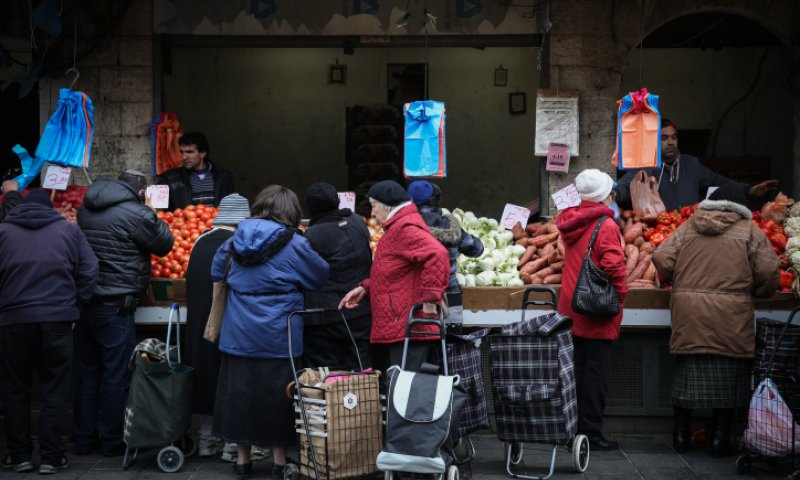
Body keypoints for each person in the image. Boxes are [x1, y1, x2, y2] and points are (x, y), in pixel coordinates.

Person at [210, 185, 329, 480]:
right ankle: (278, 463)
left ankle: (242, 461)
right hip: (280, 334)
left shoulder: (234, 238)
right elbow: (319, 275)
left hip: (238, 334)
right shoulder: (295, 243)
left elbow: (217, 272)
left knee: (240, 396)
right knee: (280, 397)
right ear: (290, 212)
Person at [653, 183, 779, 456]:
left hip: (690, 316)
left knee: (687, 375)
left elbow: (661, 255)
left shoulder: (688, 226)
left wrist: (679, 280)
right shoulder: (750, 230)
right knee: (730, 381)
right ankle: (721, 438)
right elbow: (769, 270)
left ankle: (681, 436)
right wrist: (761, 291)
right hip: (731, 318)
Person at [74, 170, 174, 457]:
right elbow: (164, 244)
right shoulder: (137, 214)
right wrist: (150, 211)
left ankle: (82, 439)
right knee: (116, 376)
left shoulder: (86, 209)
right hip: (116, 305)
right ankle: (111, 440)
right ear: (141, 190)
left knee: (87, 374)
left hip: (85, 303)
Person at [0, 190, 98, 474]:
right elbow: (91, 269)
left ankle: (19, 456)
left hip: (13, 320)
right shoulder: (69, 230)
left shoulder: (3, 232)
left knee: (15, 389)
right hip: (57, 319)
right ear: (50, 208)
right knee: (54, 389)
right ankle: (53, 457)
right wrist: (76, 303)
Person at [339, 180, 450, 374]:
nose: (372, 213)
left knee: (405, 391)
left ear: (388, 206)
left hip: (408, 323)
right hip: (401, 323)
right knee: (401, 387)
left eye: (374, 206)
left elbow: (437, 254)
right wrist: (366, 287)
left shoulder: (404, 228)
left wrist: (431, 299)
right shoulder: (398, 227)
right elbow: (395, 270)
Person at [556, 169, 628, 451]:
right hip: (595, 307)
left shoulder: (569, 220)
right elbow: (612, 265)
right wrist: (620, 295)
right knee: (595, 375)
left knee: (576, 372)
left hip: (571, 306)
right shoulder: (606, 225)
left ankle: (572, 429)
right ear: (605, 196)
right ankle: (591, 433)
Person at [184, 193, 256, 462]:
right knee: (229, 379)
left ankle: (205, 439)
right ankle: (231, 444)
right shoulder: (238, 243)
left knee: (203, 375)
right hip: (227, 323)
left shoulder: (200, 240)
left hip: (197, 324)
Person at [613, 119, 778, 211]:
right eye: (664, 138)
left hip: (690, 232)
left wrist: (749, 190)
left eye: (674, 137)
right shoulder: (646, 165)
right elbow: (628, 183)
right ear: (654, 141)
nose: (670, 142)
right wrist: (613, 194)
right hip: (658, 234)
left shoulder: (690, 164)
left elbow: (718, 182)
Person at [303, 182, 373, 371]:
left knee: (327, 376)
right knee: (361, 370)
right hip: (361, 313)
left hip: (327, 319)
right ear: (336, 202)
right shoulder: (358, 222)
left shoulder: (313, 236)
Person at [407, 180, 484, 324]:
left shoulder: (406, 226)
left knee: (421, 338)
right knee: (452, 339)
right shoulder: (449, 225)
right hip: (450, 293)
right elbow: (477, 249)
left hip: (416, 297)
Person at [156, 132, 236, 210]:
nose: (184, 157)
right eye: (182, 152)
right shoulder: (169, 178)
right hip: (184, 223)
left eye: (189, 152)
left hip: (217, 223)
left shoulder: (223, 177)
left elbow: (232, 208)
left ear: (202, 154)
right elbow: (159, 211)